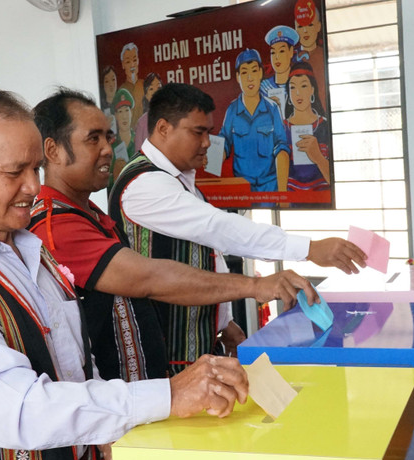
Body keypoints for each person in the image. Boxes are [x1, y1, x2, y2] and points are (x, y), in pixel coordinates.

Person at [0, 86, 249, 460]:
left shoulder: (32, 254)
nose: (32, 186)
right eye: (14, 172)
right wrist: (168, 395)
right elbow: (21, 410)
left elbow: (72, 364)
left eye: (36, 169)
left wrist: (107, 428)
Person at [30, 87, 316, 380]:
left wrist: (222, 321)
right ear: (53, 151)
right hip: (126, 394)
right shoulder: (57, 226)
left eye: (108, 137)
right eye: (93, 139)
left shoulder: (89, 213)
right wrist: (256, 285)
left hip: (151, 382)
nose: (106, 149)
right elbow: (150, 277)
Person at [108, 83, 367, 373]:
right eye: (198, 132)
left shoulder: (178, 180)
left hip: (193, 347)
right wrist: (309, 248)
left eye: (209, 132)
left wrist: (223, 321)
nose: (207, 142)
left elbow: (207, 253)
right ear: (164, 128)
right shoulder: (144, 185)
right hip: (159, 357)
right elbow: (217, 228)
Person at [221, 48, 290, 194]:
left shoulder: (272, 108)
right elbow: (224, 141)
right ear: (238, 77)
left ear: (260, 73)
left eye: (254, 71)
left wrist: (283, 194)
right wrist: (212, 157)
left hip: (269, 187)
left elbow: (281, 146)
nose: (250, 78)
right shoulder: (232, 110)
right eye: (244, 72)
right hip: (242, 187)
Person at [284, 61, 330, 192]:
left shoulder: (324, 126)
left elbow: (335, 179)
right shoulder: (281, 128)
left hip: (321, 196)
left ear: (312, 89)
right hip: (290, 198)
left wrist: (318, 157)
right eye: (293, 87)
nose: (298, 93)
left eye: (303, 86)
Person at [260, 25, 300, 109]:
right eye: (273, 53)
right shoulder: (263, 87)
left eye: (281, 51)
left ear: (291, 52)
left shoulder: (300, 83)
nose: (277, 57)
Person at [110, 88, 135, 188]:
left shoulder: (140, 140)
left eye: (127, 110)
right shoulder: (111, 145)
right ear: (116, 115)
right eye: (120, 112)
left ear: (131, 112)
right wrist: (115, 175)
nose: (124, 117)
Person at [134, 72, 162, 152]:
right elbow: (138, 153)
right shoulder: (142, 122)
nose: (155, 92)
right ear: (146, 95)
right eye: (151, 89)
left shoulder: (172, 117)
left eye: (158, 88)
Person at [118, 42, 145, 123]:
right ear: (123, 65)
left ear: (138, 61)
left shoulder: (145, 85)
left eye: (134, 60)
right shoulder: (122, 90)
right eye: (128, 62)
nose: (132, 65)